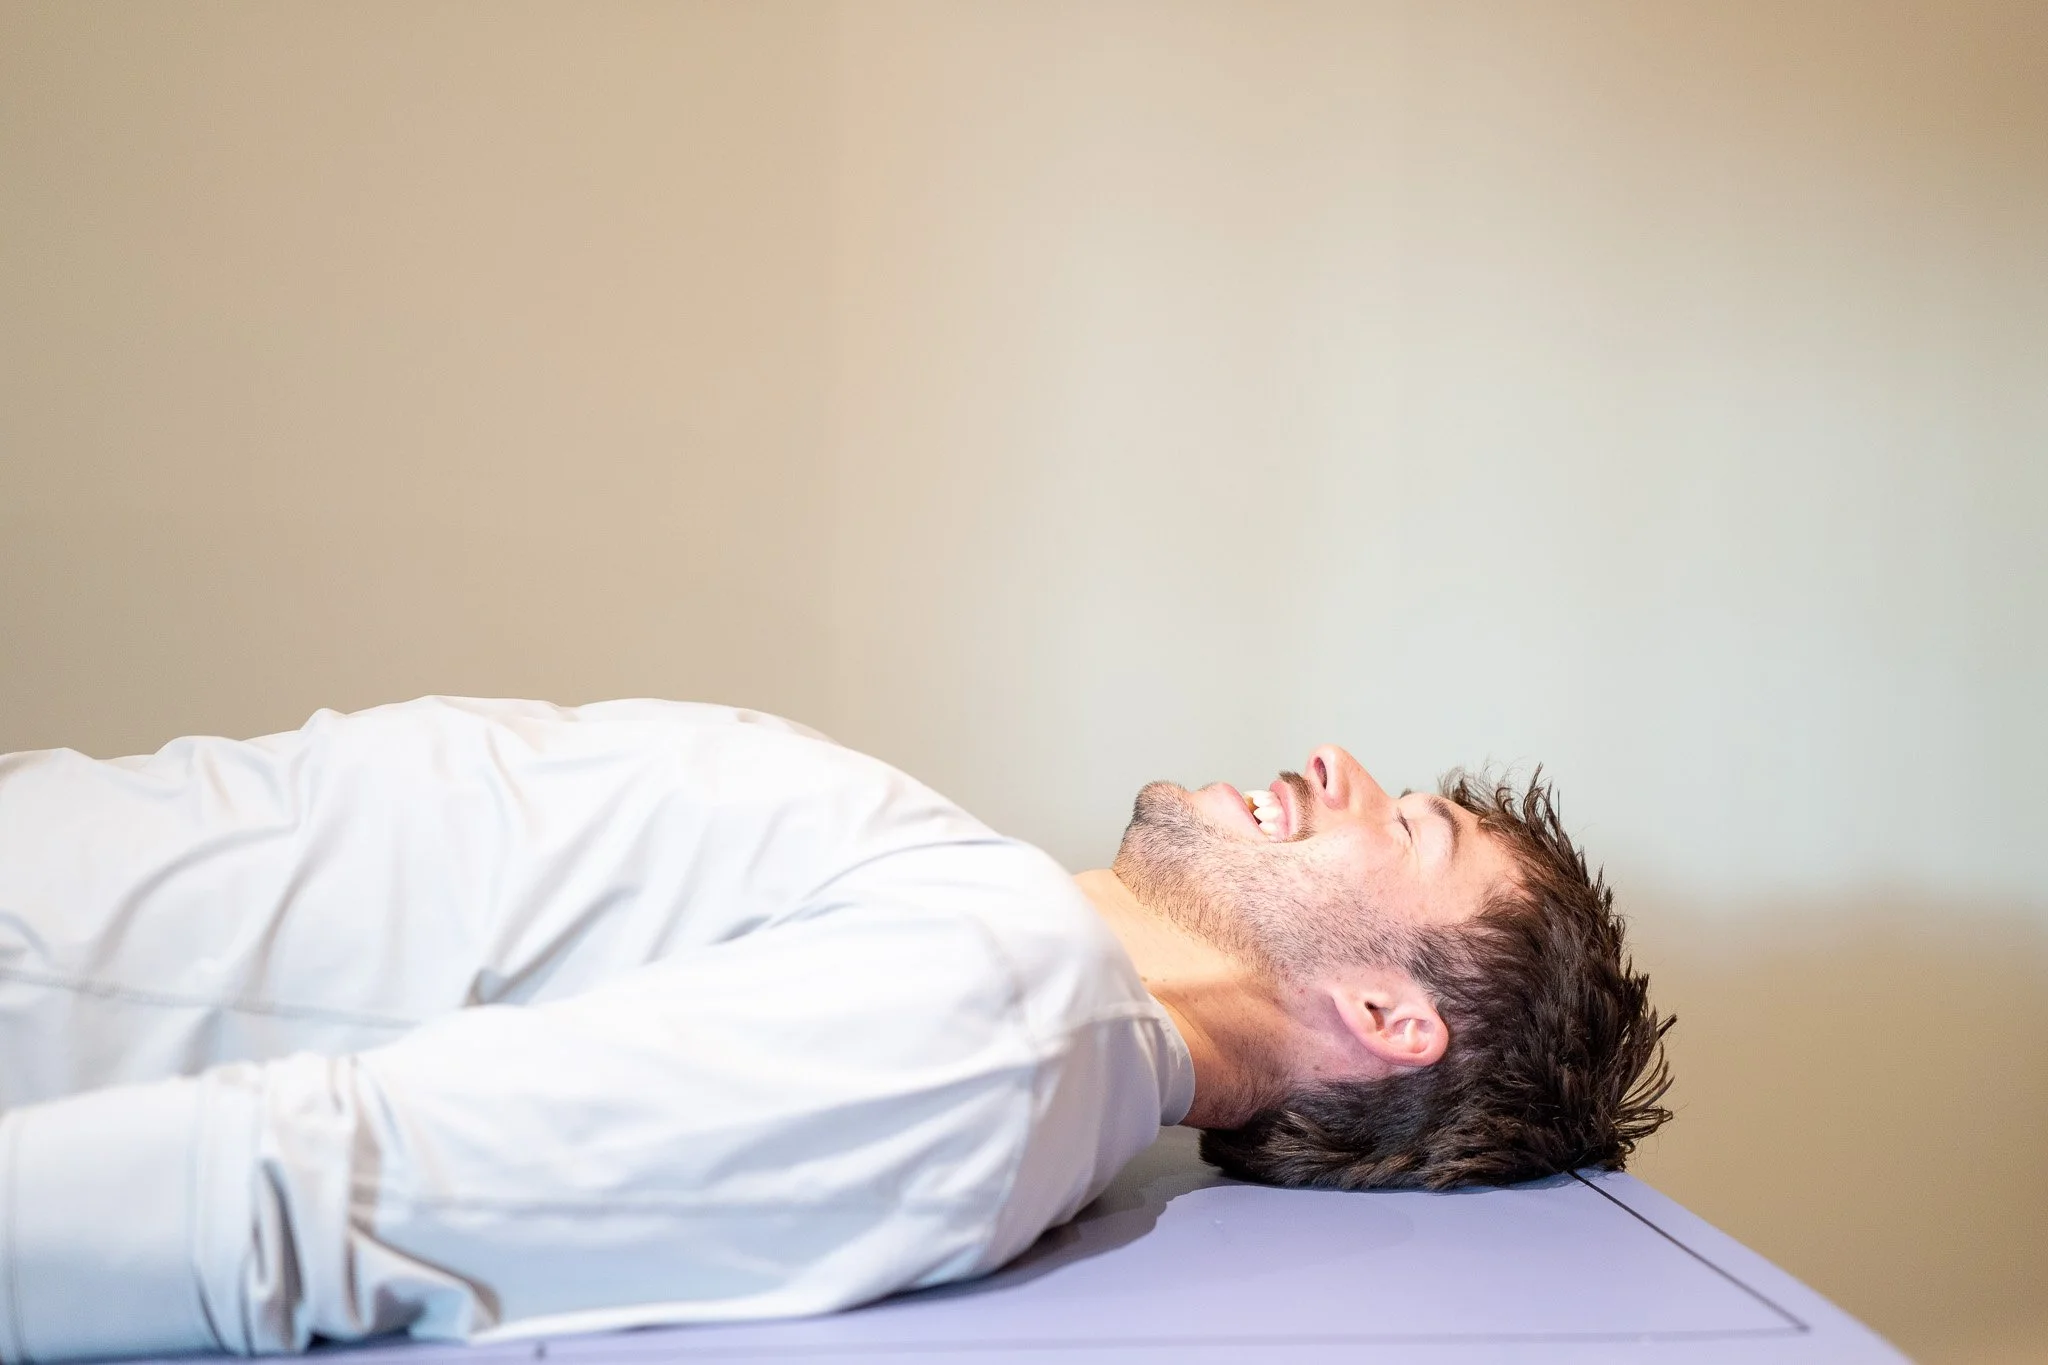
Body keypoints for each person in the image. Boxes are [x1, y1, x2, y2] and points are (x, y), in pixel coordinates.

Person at [0, 696, 1671, 1361]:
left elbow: (294, 1199)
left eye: (1409, 826)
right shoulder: (993, 948)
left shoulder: (1002, 1028)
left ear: (1387, 1015)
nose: (1336, 767)